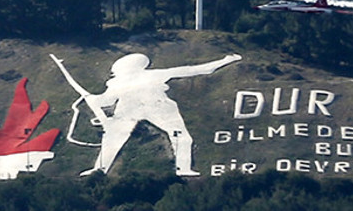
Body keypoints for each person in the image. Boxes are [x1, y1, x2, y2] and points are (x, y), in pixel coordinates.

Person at [79, 52, 241, 176]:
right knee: (180, 137)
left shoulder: (121, 81)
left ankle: (99, 170)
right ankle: (183, 168)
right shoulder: (122, 81)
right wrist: (94, 99)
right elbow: (195, 70)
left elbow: (105, 101)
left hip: (153, 107)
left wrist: (93, 99)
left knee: (114, 140)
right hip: (143, 108)